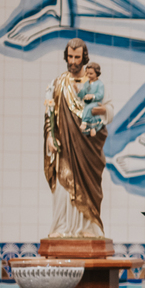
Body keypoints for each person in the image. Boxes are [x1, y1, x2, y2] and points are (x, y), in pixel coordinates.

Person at [44, 39, 106, 238]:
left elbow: (104, 111)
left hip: (86, 147)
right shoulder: (58, 83)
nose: (72, 61)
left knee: (87, 186)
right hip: (64, 147)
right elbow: (50, 114)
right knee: (63, 188)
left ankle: (87, 226)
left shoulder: (93, 83)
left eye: (77, 57)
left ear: (84, 57)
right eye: (70, 57)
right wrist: (49, 136)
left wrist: (98, 115)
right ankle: (62, 227)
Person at [77, 62, 106, 137]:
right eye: (87, 73)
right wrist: (78, 91)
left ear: (97, 73)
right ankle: (91, 128)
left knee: (89, 109)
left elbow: (100, 94)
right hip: (88, 102)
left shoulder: (99, 84)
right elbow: (83, 93)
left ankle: (84, 123)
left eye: (91, 73)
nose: (89, 75)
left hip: (96, 103)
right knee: (84, 109)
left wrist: (92, 96)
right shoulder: (86, 83)